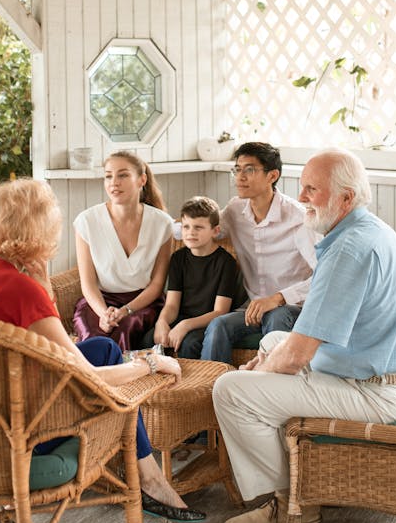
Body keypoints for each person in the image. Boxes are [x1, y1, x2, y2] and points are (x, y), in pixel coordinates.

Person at [0, 177, 205, 523]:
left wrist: (45, 287)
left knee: (104, 348)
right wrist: (151, 362)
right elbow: (89, 377)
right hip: (19, 436)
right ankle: (150, 480)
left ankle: (147, 478)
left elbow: (48, 344)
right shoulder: (21, 291)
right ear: (42, 227)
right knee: (117, 386)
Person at [213, 148, 396, 523]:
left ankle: (293, 501)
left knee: (231, 390)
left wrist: (259, 372)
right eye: (302, 187)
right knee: (273, 339)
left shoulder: (348, 249)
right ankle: (299, 475)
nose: (301, 198)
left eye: (313, 189)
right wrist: (267, 364)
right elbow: (295, 345)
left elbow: (296, 357)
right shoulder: (368, 230)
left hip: (378, 393)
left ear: (346, 198)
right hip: (380, 374)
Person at [200, 142, 317, 364]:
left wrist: (278, 298)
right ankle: (212, 392)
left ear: (272, 176)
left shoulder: (299, 219)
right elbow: (209, 230)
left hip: (292, 308)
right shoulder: (235, 209)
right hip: (252, 308)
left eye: (249, 169)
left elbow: (324, 276)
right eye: (237, 169)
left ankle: (270, 391)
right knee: (218, 326)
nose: (240, 177)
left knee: (277, 316)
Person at [73, 151, 173, 352]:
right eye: (108, 176)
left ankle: (124, 381)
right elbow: (88, 283)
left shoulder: (162, 224)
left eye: (123, 175)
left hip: (143, 304)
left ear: (141, 180)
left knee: (125, 329)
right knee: (94, 337)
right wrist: (103, 314)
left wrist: (126, 310)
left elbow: (157, 284)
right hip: (99, 302)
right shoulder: (86, 221)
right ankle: (92, 383)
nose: (114, 182)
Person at [139, 196, 246, 357]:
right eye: (186, 227)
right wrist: (162, 322)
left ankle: (193, 382)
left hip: (207, 321)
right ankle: (155, 381)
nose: (190, 233)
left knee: (189, 344)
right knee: (148, 339)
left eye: (198, 227)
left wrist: (185, 325)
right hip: (180, 317)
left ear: (215, 231)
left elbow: (220, 311)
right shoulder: (177, 258)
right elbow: (172, 305)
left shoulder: (226, 262)